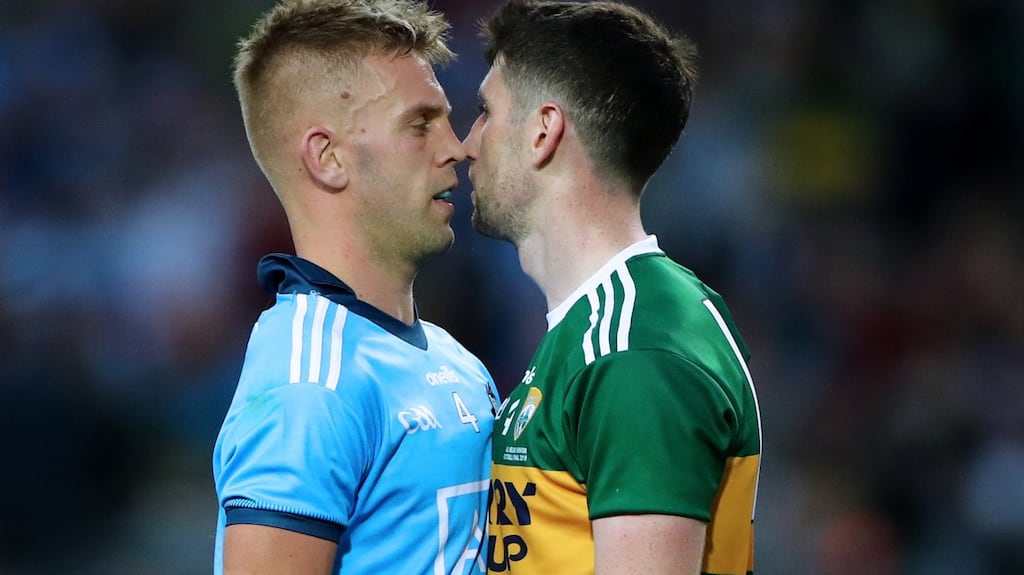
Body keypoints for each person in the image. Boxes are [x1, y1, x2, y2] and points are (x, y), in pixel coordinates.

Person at [461, 1, 762, 574]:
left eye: (485, 112)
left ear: (543, 131)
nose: (467, 143)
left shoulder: (634, 349)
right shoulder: (605, 328)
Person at [211, 1, 500, 574]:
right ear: (328, 158)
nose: (456, 147)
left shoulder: (455, 360)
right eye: (419, 124)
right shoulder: (307, 387)